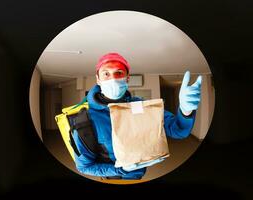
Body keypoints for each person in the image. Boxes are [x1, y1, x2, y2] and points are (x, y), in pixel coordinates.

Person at [72, 52, 202, 180]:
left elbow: (178, 130)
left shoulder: (142, 106)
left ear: (127, 78)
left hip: (138, 176)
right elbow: (84, 167)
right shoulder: (86, 120)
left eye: (119, 73)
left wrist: (186, 111)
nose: (113, 79)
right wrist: (120, 170)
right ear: (98, 79)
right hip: (113, 178)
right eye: (106, 73)